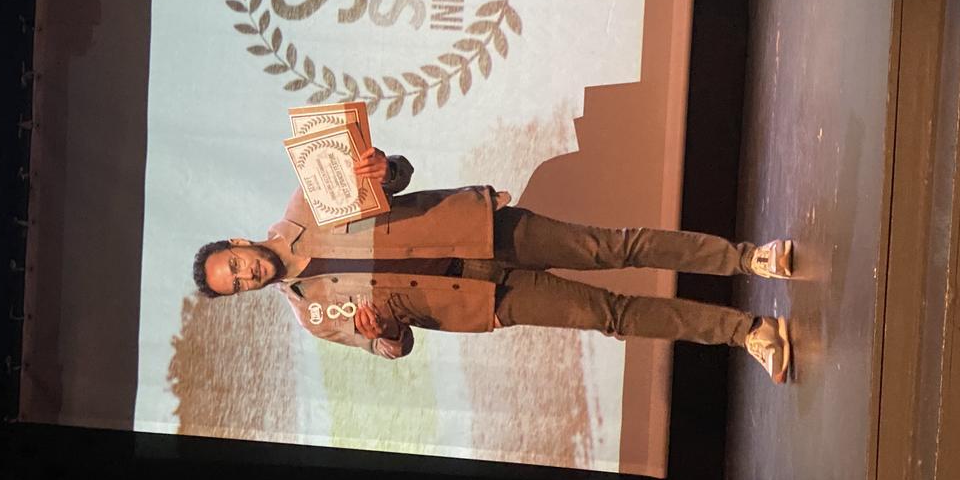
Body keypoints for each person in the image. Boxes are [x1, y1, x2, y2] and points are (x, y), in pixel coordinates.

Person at [192, 148, 794, 383]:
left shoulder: (308, 199)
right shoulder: (313, 316)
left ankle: (750, 259)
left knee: (617, 247)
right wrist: (385, 334)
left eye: (237, 265)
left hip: (484, 230)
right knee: (611, 316)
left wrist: (384, 168)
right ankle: (748, 333)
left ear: (240, 242)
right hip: (480, 301)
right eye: (239, 285)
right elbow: (391, 350)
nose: (248, 276)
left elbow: (398, 173)